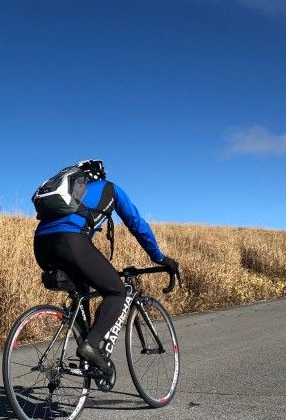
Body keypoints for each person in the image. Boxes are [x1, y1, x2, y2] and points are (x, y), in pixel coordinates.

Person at [33, 159, 179, 376]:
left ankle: (87, 363)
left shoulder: (70, 197)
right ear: (100, 176)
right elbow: (137, 223)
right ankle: (90, 346)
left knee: (82, 296)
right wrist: (159, 257)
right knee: (117, 292)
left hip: (41, 246)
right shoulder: (109, 188)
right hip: (71, 243)